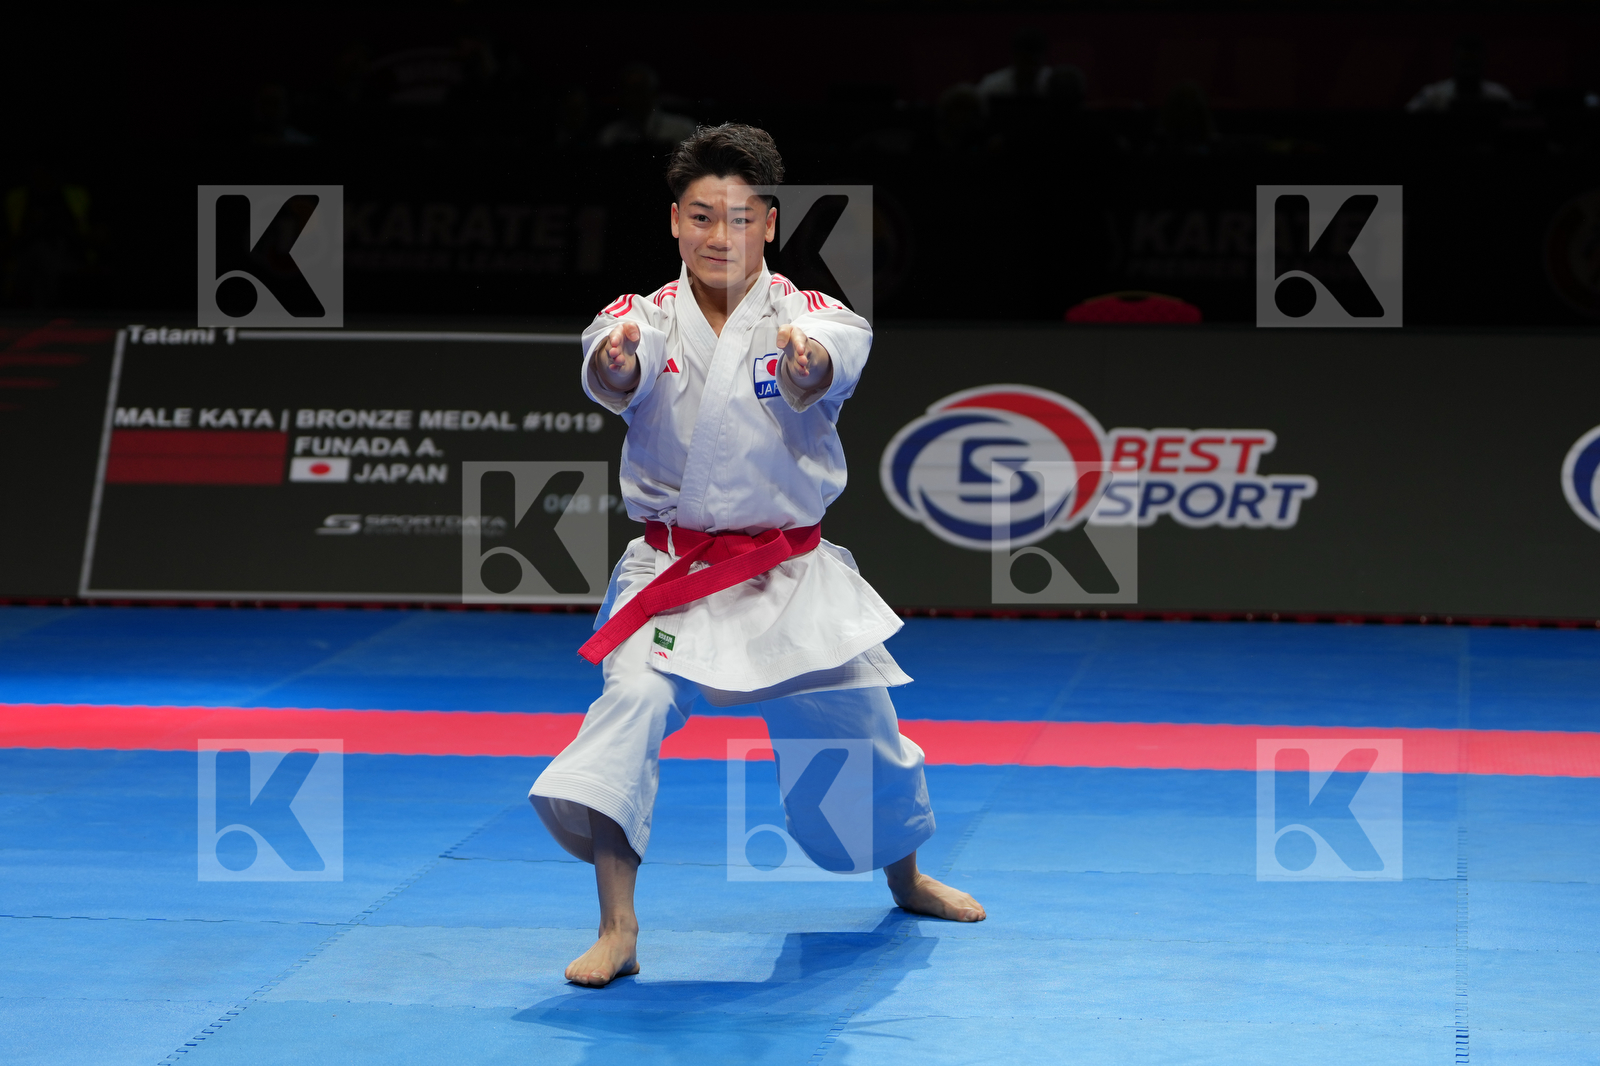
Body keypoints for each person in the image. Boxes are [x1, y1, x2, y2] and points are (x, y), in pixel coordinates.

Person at [529, 123, 985, 988]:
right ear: (674, 222)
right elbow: (613, 363)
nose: (717, 236)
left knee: (866, 728)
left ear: (768, 224)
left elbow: (830, 359)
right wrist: (618, 365)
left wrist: (809, 365)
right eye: (700, 217)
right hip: (676, 572)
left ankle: (907, 877)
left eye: (738, 219)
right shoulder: (642, 318)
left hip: (790, 575)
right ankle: (617, 927)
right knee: (632, 700)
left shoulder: (810, 316)